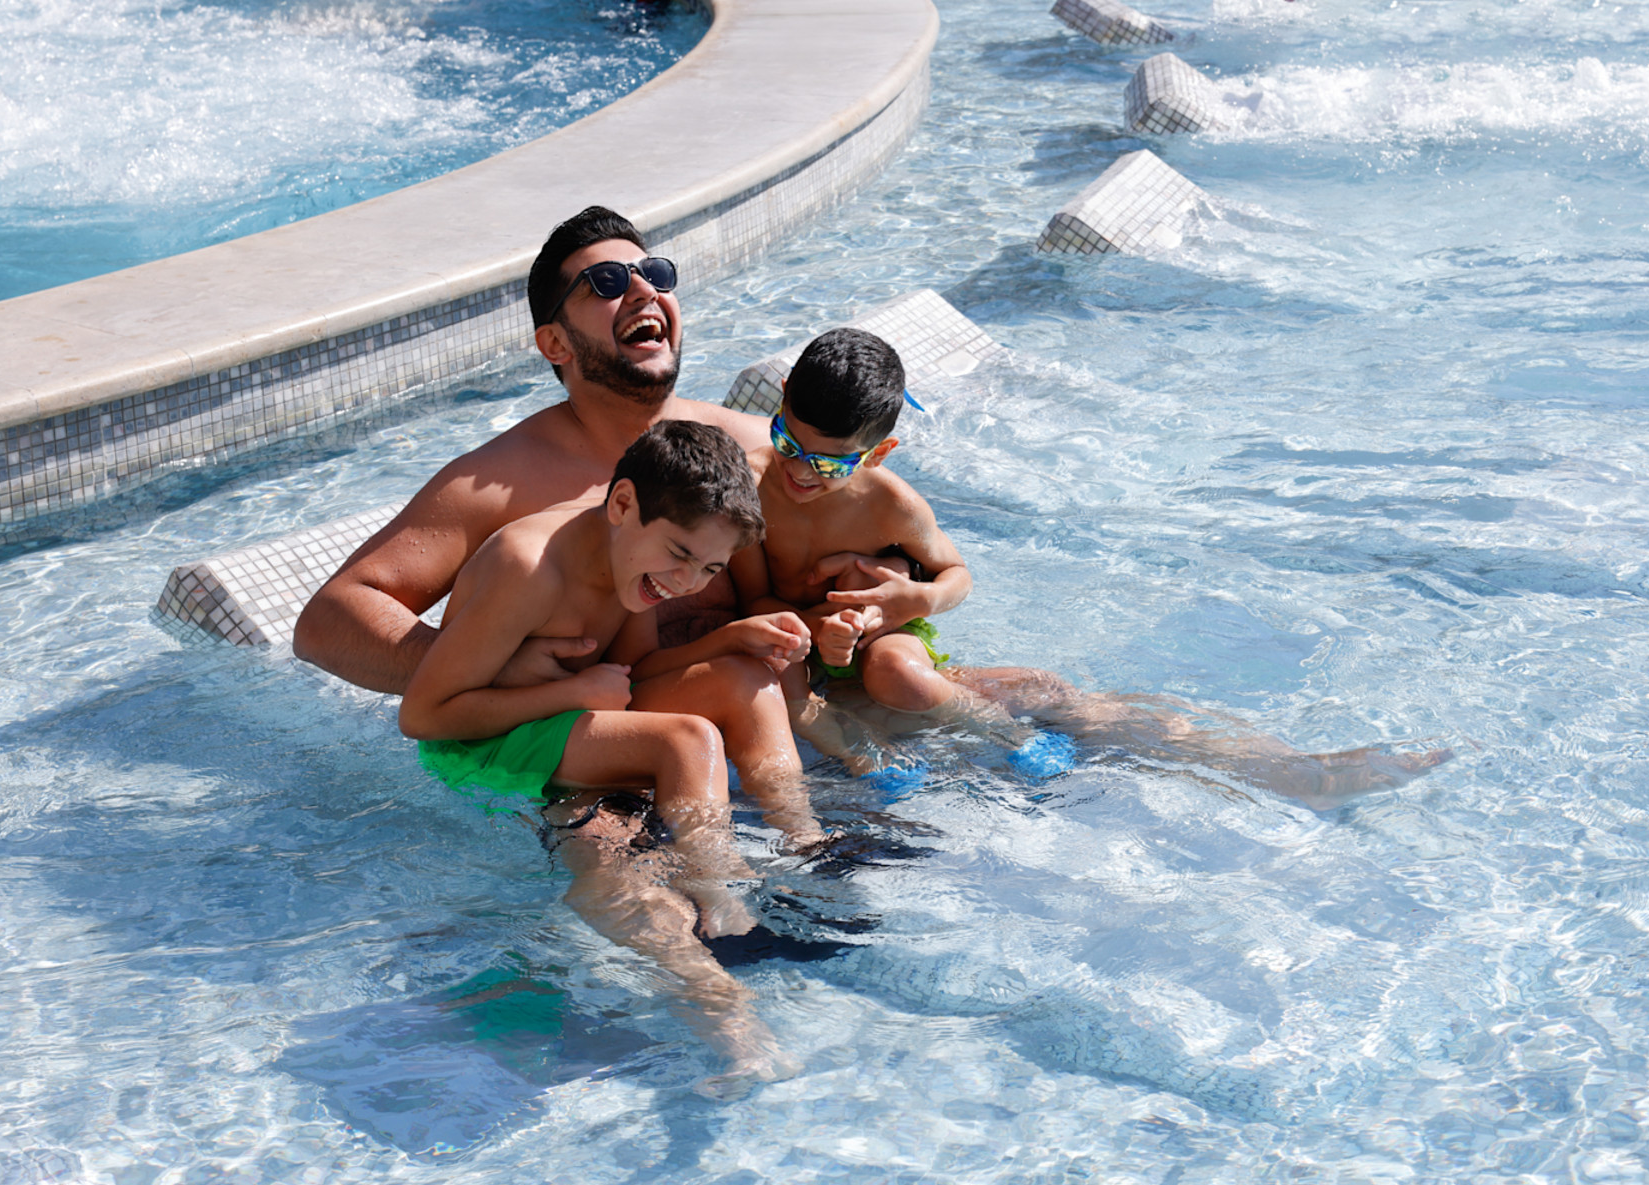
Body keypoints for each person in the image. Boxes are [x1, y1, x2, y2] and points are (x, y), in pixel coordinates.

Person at [731, 328, 1451, 807]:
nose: (798, 471)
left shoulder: (889, 502)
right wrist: (820, 628)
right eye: (786, 442)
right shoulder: (752, 487)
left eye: (827, 463)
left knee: (910, 675)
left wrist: (903, 600)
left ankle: (1294, 772)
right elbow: (752, 598)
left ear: (878, 455)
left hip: (885, 645)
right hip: (808, 652)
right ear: (781, 405)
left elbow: (956, 579)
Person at [400, 421, 810, 1096]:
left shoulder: (631, 568)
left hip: (575, 710)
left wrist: (733, 635)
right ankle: (727, 909)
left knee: (744, 678)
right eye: (680, 554)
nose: (686, 581)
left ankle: (806, 842)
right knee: (688, 742)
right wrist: (568, 691)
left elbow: (637, 668)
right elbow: (424, 717)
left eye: (708, 570)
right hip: (481, 741)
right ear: (622, 505)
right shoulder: (529, 566)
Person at [294, 204, 768, 694]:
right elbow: (326, 623)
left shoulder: (752, 451)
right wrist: (485, 668)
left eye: (655, 274)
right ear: (555, 344)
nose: (644, 290)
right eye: (605, 282)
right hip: (597, 747)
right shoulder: (499, 484)